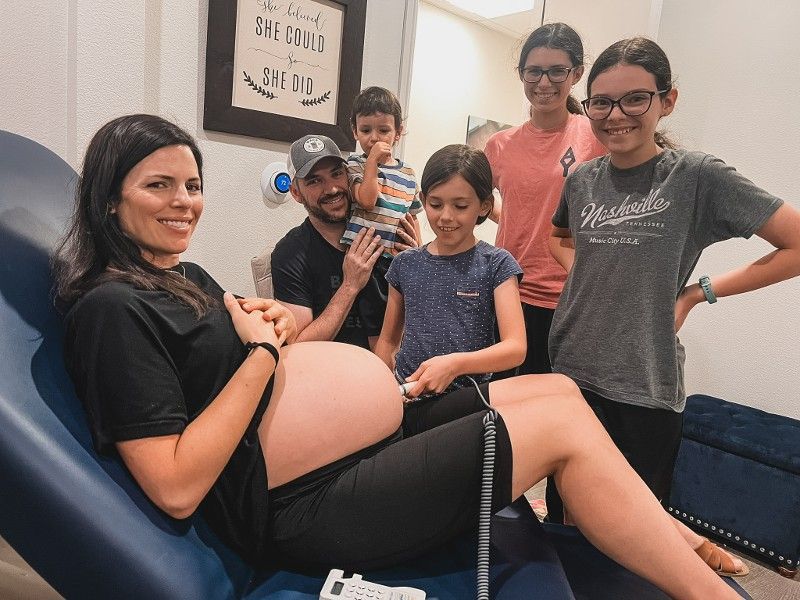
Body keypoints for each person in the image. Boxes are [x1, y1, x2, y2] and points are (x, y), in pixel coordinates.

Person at [54, 113, 742, 599]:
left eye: (191, 184)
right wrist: (263, 356)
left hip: (356, 446)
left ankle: (671, 538)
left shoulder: (179, 277)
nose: (185, 203)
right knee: (559, 430)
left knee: (559, 392)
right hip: (302, 505)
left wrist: (275, 322)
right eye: (159, 186)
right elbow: (175, 487)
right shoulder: (112, 311)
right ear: (110, 201)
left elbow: (263, 331)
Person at [548, 36, 800, 576]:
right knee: (568, 527)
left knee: (631, 537)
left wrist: (697, 292)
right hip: (570, 373)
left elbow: (796, 243)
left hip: (644, 383)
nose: (615, 115)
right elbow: (561, 240)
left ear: (668, 100)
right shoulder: (583, 179)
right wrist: (593, 276)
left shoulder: (696, 177)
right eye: (601, 102)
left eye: (634, 98)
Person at [483, 23, 606, 378]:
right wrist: (516, 219)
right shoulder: (499, 144)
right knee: (504, 401)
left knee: (556, 403)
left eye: (557, 71)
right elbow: (476, 201)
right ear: (521, 73)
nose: (544, 82)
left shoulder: (594, 135)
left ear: (577, 73)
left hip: (569, 294)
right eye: (534, 71)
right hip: (507, 290)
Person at [374, 144, 526, 402]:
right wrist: (379, 390)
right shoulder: (404, 264)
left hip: (468, 399)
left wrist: (454, 365)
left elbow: (515, 348)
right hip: (409, 396)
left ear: (484, 206)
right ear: (423, 201)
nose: (446, 216)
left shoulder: (496, 264)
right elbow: (388, 341)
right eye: (436, 204)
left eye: (460, 206)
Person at [272, 133, 418, 350]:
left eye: (337, 173)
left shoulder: (389, 229)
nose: (331, 189)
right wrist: (350, 285)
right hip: (332, 374)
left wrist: (416, 265)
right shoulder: (290, 253)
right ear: (296, 192)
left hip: (395, 367)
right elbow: (296, 346)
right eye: (314, 181)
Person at [341, 86, 423, 257]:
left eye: (383, 130)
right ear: (355, 131)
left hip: (396, 255)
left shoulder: (408, 174)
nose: (374, 138)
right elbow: (367, 201)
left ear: (398, 132)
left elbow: (412, 217)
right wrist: (372, 161)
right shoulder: (355, 164)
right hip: (361, 253)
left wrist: (420, 253)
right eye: (365, 130)